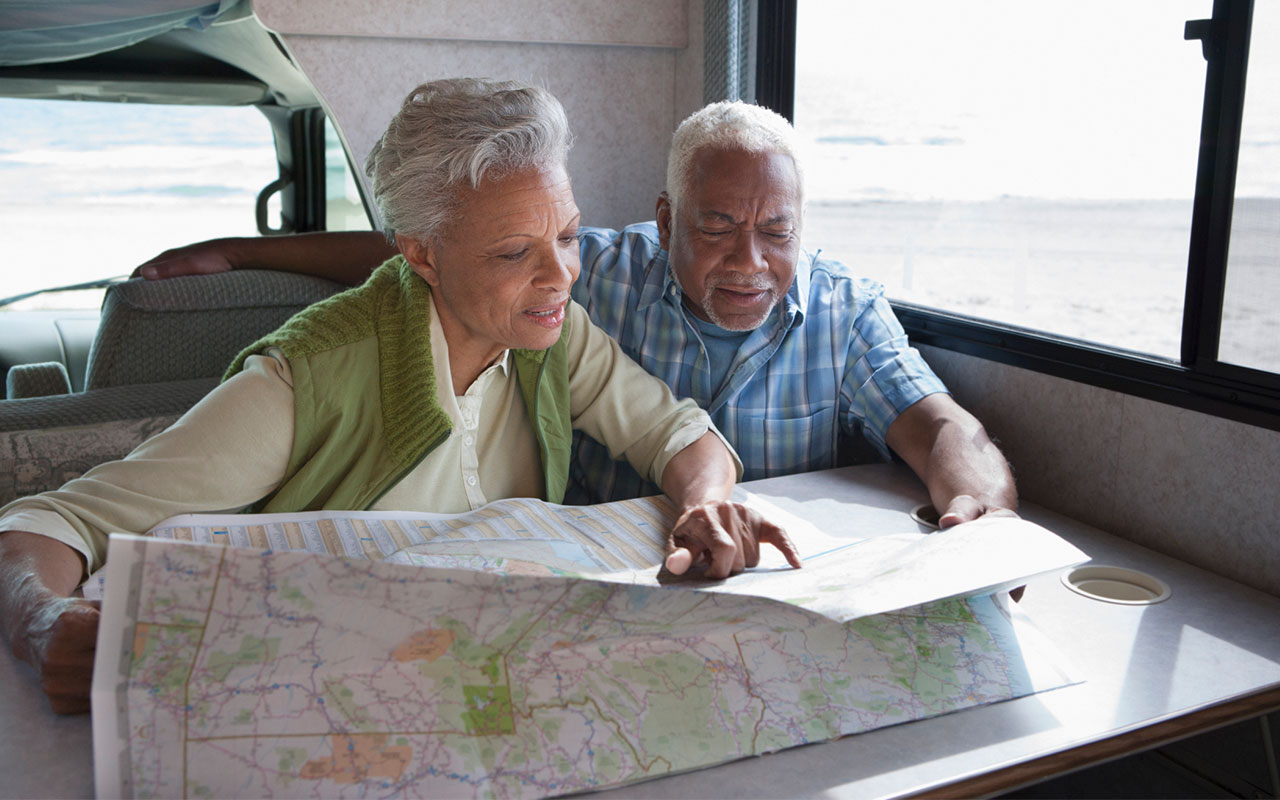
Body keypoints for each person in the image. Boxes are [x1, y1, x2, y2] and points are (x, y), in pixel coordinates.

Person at [0, 80, 801, 715]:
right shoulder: (299, 383)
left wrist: (708, 503)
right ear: (421, 253)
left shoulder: (556, 336)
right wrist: (39, 621)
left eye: (566, 235)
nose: (562, 275)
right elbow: (45, 522)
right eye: (516, 251)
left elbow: (678, 435)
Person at [137, 100, 1017, 526]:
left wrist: (986, 518)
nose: (751, 261)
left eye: (777, 232)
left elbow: (941, 426)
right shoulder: (595, 271)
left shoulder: (843, 308)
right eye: (717, 227)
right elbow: (437, 256)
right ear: (665, 220)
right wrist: (242, 252)